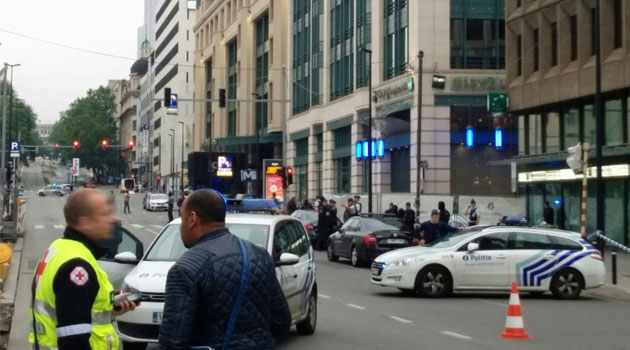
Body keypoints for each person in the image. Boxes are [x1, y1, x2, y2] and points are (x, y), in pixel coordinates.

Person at [158, 190, 291, 350]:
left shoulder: (185, 269)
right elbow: (282, 321)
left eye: (182, 218)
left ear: (192, 219)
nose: (181, 225)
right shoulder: (259, 256)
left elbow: (172, 343)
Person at [29, 189, 137, 350]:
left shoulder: (59, 248)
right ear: (85, 222)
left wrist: (110, 307)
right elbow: (74, 341)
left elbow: (68, 309)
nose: (113, 219)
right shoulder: (77, 267)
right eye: (105, 214)